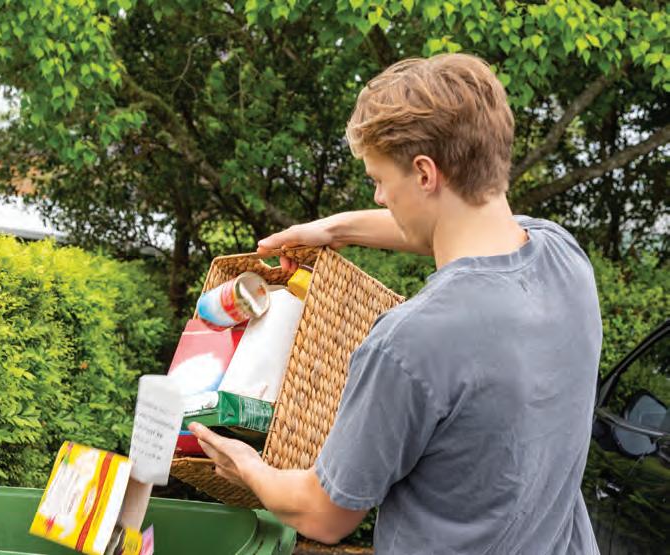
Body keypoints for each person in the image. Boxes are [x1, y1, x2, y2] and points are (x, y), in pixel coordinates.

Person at [189, 53, 602, 554]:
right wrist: (336, 229)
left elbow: (325, 515)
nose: (380, 198)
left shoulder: (411, 342)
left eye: (379, 180)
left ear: (425, 173)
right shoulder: (563, 257)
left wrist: (249, 468)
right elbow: (462, 226)